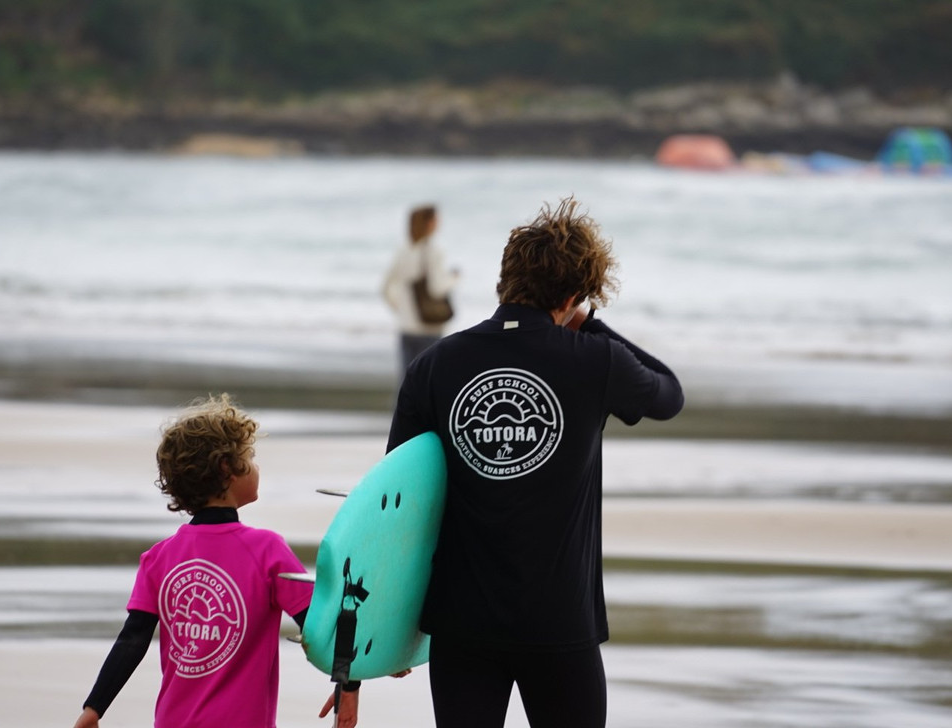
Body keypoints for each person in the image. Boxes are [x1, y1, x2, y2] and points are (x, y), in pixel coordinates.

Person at [385, 198, 684, 728]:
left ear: (505, 280)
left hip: (461, 624)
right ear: (574, 295)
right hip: (559, 623)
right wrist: (590, 326)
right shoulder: (596, 362)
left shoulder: (434, 364)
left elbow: (397, 500)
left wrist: (392, 624)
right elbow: (668, 394)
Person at [72, 394, 359, 728]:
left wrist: (94, 708)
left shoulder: (160, 558)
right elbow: (320, 625)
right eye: (249, 458)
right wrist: (352, 679)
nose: (256, 467)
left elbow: (131, 641)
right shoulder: (267, 551)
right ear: (227, 468)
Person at [381, 204, 459, 374]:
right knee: (429, 381)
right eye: (436, 219)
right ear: (429, 223)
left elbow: (386, 287)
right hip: (429, 327)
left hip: (406, 326)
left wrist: (398, 307)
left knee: (406, 381)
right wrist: (454, 279)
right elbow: (436, 289)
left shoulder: (403, 250)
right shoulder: (433, 251)